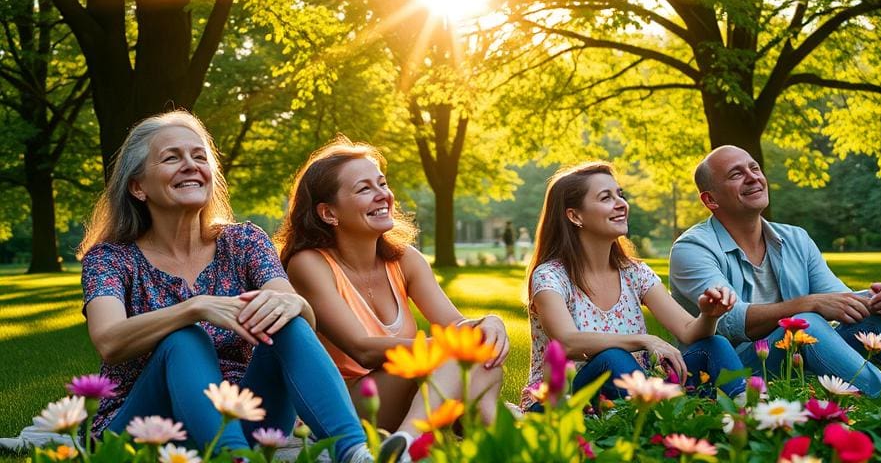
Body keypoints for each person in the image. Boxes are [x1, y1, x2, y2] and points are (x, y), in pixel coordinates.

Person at [78, 111, 384, 463]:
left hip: (245, 413)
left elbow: (298, 314)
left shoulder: (244, 241)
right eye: (171, 157)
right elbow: (108, 340)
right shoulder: (110, 258)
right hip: (143, 426)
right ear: (138, 186)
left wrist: (293, 305)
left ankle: (355, 453)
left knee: (284, 316)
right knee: (185, 337)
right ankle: (233, 459)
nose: (191, 165)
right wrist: (193, 308)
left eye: (198, 156)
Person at [669, 145, 881, 396]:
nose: (753, 177)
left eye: (754, 168)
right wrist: (807, 305)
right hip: (731, 374)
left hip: (795, 359)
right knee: (802, 323)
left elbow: (840, 300)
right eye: (736, 174)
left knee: (869, 314)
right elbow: (730, 321)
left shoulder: (795, 238)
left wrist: (878, 299)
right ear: (710, 200)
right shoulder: (691, 249)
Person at [278, 137, 509, 446]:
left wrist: (488, 323)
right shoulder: (308, 264)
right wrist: (448, 346)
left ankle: (416, 441)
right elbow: (362, 349)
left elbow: (454, 324)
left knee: (482, 357)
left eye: (382, 184)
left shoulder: (405, 259)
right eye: (364, 189)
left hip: (409, 394)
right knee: (465, 357)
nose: (383, 196)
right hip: (349, 403)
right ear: (328, 213)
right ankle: (429, 441)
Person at [521, 162, 745, 411]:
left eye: (620, 195)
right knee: (612, 357)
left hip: (633, 392)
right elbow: (567, 342)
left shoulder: (634, 272)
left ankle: (750, 414)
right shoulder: (550, 276)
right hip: (560, 403)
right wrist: (645, 340)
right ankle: (665, 424)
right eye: (606, 198)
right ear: (575, 216)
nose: (621, 204)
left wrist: (708, 316)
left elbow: (688, 331)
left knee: (714, 345)